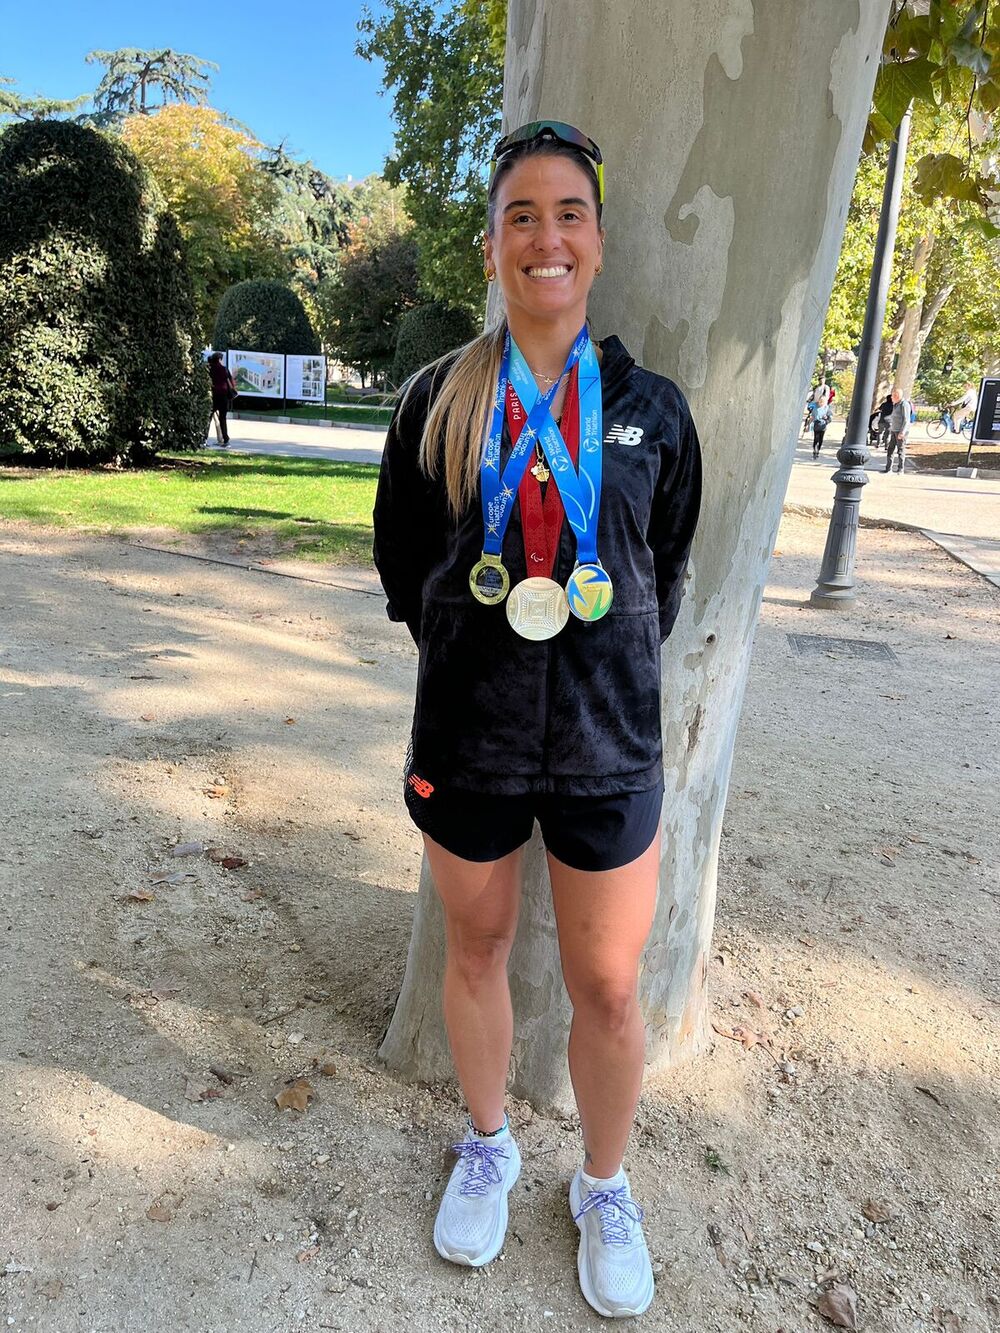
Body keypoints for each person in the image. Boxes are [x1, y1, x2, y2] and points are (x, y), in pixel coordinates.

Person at [373, 121, 702, 1319]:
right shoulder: (435, 401)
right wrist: (476, 661)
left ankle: (603, 1184)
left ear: (598, 243)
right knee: (474, 950)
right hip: (469, 739)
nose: (545, 235)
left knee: (609, 987)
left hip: (609, 746)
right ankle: (488, 1143)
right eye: (521, 214)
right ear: (491, 245)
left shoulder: (652, 411)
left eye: (567, 212)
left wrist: (591, 659)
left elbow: (662, 562)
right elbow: (405, 563)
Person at [207, 351, 236, 445]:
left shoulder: (210, 369)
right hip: (223, 397)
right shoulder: (224, 369)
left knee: (208, 417)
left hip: (213, 396)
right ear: (219, 359)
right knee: (222, 418)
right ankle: (226, 439)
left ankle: (203, 439)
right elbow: (231, 383)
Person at [883, 387, 912, 474]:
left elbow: (906, 419)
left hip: (900, 431)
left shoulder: (904, 404)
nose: (891, 398)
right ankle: (888, 468)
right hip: (894, 430)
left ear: (897, 396)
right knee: (890, 449)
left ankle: (900, 469)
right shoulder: (895, 404)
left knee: (900, 450)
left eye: (892, 396)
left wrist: (902, 432)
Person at [810, 394, 832, 458]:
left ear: (825, 402)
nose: (821, 403)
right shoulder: (815, 408)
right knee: (816, 439)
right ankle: (815, 451)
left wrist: (826, 419)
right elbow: (812, 416)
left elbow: (830, 419)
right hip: (816, 425)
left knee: (820, 440)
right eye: (820, 401)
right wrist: (808, 424)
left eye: (823, 402)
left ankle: (818, 450)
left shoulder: (827, 408)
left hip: (823, 426)